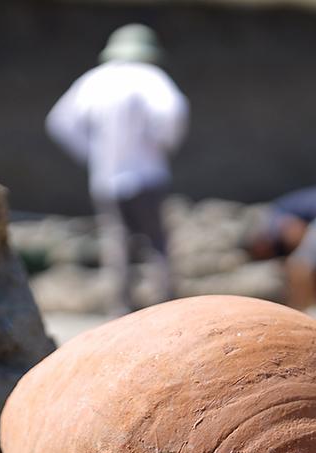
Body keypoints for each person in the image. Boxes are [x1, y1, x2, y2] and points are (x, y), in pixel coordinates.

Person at [46, 24, 189, 315]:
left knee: (116, 244)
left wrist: (91, 153)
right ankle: (164, 309)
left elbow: (59, 121)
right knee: (156, 245)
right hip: (147, 174)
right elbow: (173, 112)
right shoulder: (150, 78)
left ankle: (119, 311)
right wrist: (162, 142)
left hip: (105, 179)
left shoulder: (95, 81)